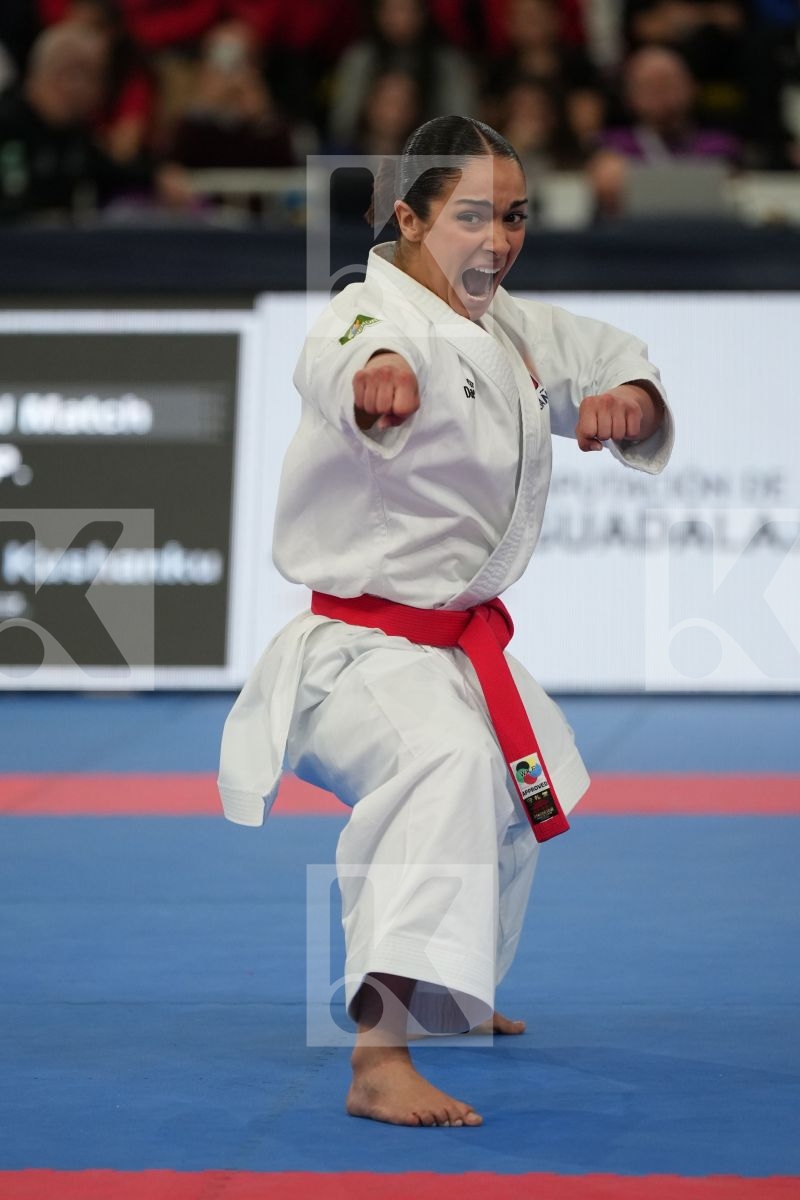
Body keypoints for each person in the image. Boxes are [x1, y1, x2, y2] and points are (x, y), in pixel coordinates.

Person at [218, 115, 674, 1127]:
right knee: (444, 766)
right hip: (358, 650)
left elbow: (602, 356)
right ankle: (378, 1054)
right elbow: (340, 358)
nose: (498, 240)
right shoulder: (365, 315)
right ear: (409, 218)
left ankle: (444, 996)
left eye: (512, 217)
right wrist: (373, 387)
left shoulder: (504, 324)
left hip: (452, 646)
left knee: (520, 785)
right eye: (472, 216)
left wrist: (628, 398)